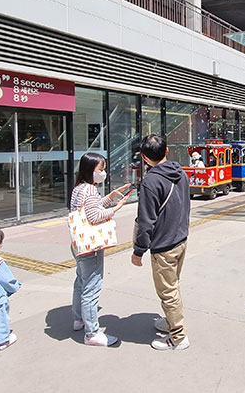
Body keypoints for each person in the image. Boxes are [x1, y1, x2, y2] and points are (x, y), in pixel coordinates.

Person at [132, 134, 192, 350]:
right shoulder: (181, 173)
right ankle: (170, 321)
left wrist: (138, 251)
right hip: (180, 240)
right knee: (173, 286)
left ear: (145, 157)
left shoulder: (150, 181)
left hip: (164, 246)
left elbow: (146, 221)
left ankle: (178, 336)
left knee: (168, 291)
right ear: (166, 151)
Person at [70, 152, 131, 347]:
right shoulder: (88, 190)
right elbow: (95, 216)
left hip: (78, 243)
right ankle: (92, 333)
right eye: (100, 170)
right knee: (92, 287)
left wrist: (110, 197)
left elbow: (91, 208)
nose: (103, 173)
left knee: (81, 281)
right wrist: (116, 208)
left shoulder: (79, 188)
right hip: (91, 246)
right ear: (90, 170)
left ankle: (78, 318)